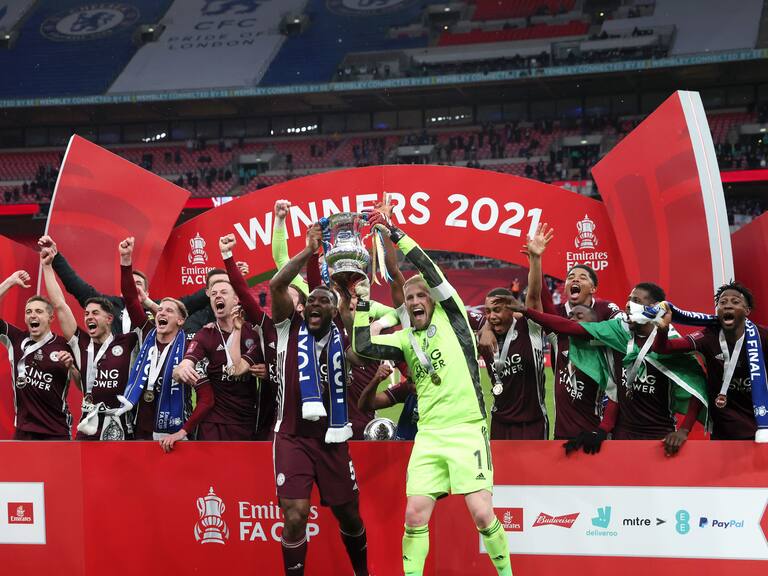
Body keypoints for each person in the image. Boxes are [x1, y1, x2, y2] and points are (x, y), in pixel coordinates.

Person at [353, 215, 513, 576]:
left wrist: (395, 233)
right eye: (408, 298)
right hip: (429, 436)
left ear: (434, 298)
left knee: (482, 512)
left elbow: (426, 265)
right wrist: (363, 303)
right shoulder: (406, 340)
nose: (413, 301)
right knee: (414, 515)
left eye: (420, 294)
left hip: (467, 429)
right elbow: (363, 346)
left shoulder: (453, 319)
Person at [269, 223, 369, 576]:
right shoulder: (288, 327)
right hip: (293, 436)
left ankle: (362, 572)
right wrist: (308, 253)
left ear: (333, 310)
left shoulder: (344, 333)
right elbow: (276, 285)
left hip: (332, 439)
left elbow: (363, 353)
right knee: (294, 514)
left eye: (322, 300)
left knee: (348, 514)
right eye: (310, 300)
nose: (313, 303)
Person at [514, 282, 707, 452]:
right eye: (629, 299)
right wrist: (527, 311)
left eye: (636, 300)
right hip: (622, 434)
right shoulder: (617, 332)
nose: (628, 304)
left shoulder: (670, 343)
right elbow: (570, 327)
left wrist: (683, 430)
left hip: (659, 435)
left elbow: (696, 385)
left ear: (654, 308)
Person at [41, 239, 149, 440]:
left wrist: (126, 260)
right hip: (88, 426)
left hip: (121, 426)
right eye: (87, 314)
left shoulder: (127, 342)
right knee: (85, 472)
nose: (89, 317)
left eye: (95, 313)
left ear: (110, 319)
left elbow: (133, 302)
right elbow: (60, 304)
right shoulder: (80, 342)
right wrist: (47, 266)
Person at [521, 227, 621, 440]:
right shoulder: (557, 316)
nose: (575, 279)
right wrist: (535, 259)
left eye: (582, 277)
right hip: (564, 426)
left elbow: (624, 329)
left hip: (600, 413)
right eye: (570, 277)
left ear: (593, 288)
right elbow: (539, 296)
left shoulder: (606, 309)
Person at [116, 238, 214, 450]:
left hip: (173, 438)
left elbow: (207, 399)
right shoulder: (147, 332)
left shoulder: (190, 349)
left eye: (169, 310)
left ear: (180, 321)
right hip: (138, 431)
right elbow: (132, 300)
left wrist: (183, 432)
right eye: (159, 310)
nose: (161, 312)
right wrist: (126, 261)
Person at [652, 282, 768, 453]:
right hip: (722, 432)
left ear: (747, 311)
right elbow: (663, 348)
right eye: (722, 302)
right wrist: (662, 329)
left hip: (760, 430)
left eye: (735, 302)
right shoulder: (708, 336)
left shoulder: (763, 337)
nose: (728, 305)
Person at [38, 234, 209, 335]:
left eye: (139, 284)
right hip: (114, 373)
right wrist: (56, 256)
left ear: (147, 291)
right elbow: (76, 285)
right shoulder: (108, 305)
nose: (135, 288)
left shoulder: (161, 309)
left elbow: (195, 301)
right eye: (131, 284)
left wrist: (224, 280)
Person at [173, 272, 263, 441]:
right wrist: (182, 368)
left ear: (236, 300)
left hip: (246, 420)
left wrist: (265, 370)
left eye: (223, 292)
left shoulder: (253, 333)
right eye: (213, 294)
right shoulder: (206, 334)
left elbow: (241, 369)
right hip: (213, 422)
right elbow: (182, 366)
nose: (217, 297)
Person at [0, 268, 77, 440]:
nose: (33, 315)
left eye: (39, 311)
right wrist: (10, 281)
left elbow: (82, 385)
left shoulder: (65, 345)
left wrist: (72, 368)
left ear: (51, 318)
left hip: (56, 432)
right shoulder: (16, 339)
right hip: (23, 431)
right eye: (29, 312)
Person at [357, 366, 419, 440]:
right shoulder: (406, 389)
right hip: (403, 447)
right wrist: (376, 381)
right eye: (409, 380)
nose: (414, 387)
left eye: (417, 381)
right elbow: (366, 404)